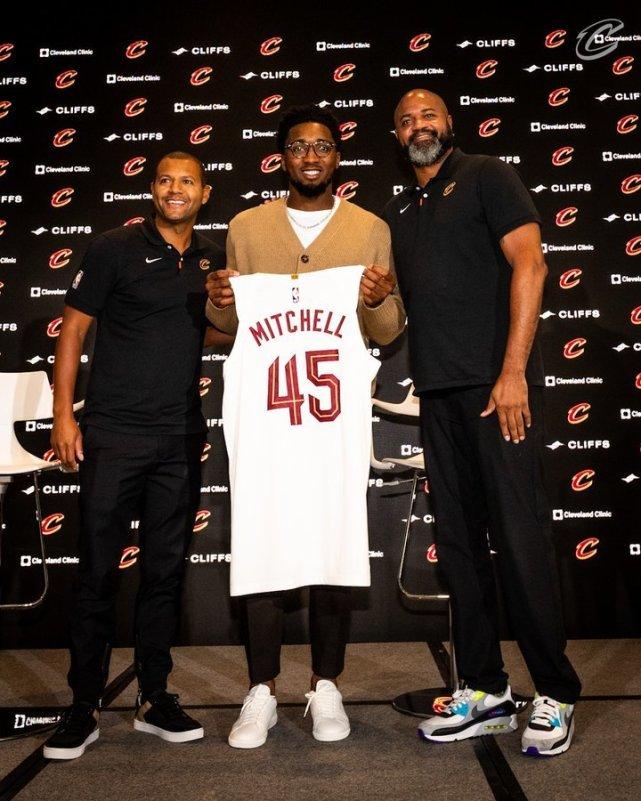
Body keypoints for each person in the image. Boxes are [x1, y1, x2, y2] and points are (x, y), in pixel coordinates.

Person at [385, 89, 581, 757]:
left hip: (498, 391)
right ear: (396, 135)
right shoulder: (401, 210)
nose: (419, 126)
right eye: (406, 120)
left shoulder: (486, 174)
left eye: (428, 115)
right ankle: (486, 688)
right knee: (460, 547)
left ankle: (554, 690)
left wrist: (513, 371)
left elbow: (531, 263)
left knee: (519, 539)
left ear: (449, 123)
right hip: (437, 396)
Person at [206, 104, 405, 749]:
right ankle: (261, 689)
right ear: (282, 157)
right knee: (261, 544)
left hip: (330, 428)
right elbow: (230, 325)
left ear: (337, 156)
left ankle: (326, 684)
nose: (311, 156)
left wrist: (376, 299)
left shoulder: (369, 228)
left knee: (332, 545)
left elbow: (389, 330)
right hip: (267, 428)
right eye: (298, 146)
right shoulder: (247, 227)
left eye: (322, 146)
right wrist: (220, 299)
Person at [43, 151, 225, 760]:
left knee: (164, 574)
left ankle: (154, 697)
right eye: (166, 180)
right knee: (97, 573)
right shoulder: (113, 248)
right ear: (153, 189)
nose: (176, 189)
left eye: (188, 181)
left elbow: (215, 331)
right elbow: (72, 330)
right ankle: (83, 706)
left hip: (179, 439)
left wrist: (235, 310)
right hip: (113, 435)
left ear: (204, 193)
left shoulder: (212, 260)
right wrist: (64, 416)